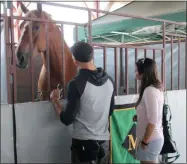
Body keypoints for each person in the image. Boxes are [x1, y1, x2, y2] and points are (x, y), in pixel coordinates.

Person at [50, 41, 115, 164]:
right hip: (105, 143)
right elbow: (110, 111)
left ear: (74, 60)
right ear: (92, 56)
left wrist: (55, 101)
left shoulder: (76, 83)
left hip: (83, 144)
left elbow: (67, 119)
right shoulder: (110, 81)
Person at [133, 58, 164, 164]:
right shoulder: (153, 89)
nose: (135, 72)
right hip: (152, 139)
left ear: (144, 72)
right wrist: (140, 116)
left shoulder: (149, 90)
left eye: (136, 70)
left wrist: (145, 141)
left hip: (150, 140)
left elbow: (153, 120)